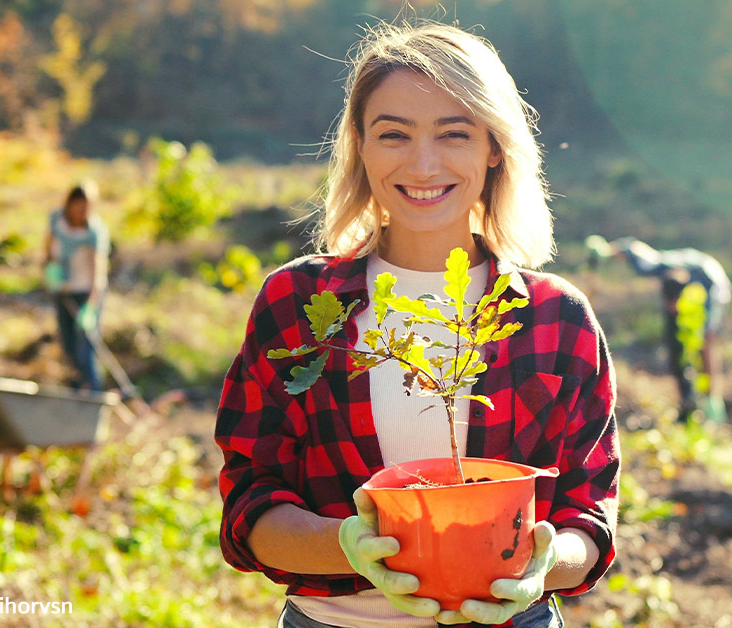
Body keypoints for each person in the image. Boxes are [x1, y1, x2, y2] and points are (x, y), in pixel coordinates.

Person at [215, 22, 619, 628]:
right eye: (394, 134)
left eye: (454, 134)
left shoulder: (556, 320)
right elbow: (250, 503)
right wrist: (350, 546)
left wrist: (538, 565)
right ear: (361, 145)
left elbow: (587, 518)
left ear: (494, 148)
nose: (423, 163)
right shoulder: (297, 303)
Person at [590, 236, 731, 422]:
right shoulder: (662, 266)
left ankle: (711, 400)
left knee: (706, 342)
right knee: (691, 347)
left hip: (713, 285)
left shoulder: (654, 266)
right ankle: (699, 400)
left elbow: (634, 249)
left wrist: (610, 249)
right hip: (706, 281)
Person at [43, 181, 109, 391]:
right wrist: (50, 271)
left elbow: (98, 272)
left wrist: (90, 307)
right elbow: (48, 249)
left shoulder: (94, 231)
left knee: (86, 347)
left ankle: (94, 392)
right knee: (69, 345)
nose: (82, 213)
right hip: (63, 290)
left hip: (86, 292)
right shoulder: (57, 220)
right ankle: (76, 389)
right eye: (79, 207)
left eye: (86, 209)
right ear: (70, 204)